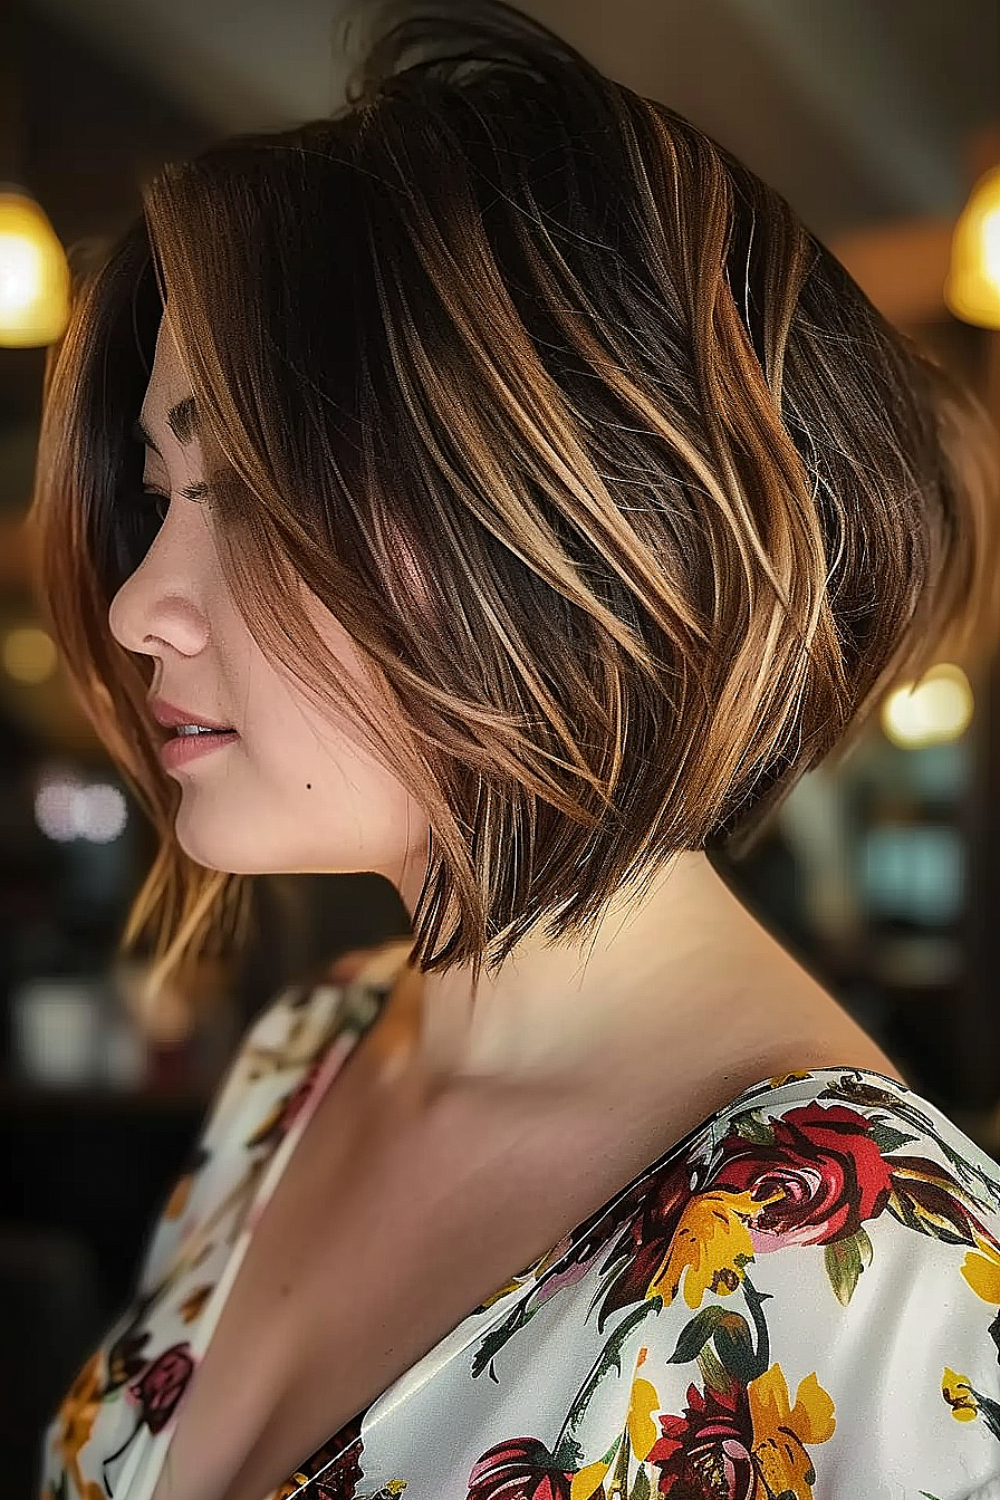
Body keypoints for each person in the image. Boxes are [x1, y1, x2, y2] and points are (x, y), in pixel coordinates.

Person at [27, 2, 1000, 1497]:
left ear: (562, 540)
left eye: (250, 498)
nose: (141, 603)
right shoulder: (308, 1057)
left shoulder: (873, 1269)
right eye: (161, 495)